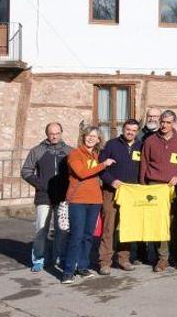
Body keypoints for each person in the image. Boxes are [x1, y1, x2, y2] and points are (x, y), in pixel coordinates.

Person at [60, 127, 116, 284]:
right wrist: (103, 165)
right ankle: (68, 270)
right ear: (83, 137)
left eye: (95, 136)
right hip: (78, 200)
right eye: (88, 136)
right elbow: (82, 173)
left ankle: (82, 266)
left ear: (99, 140)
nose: (91, 138)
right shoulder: (75, 154)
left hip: (95, 200)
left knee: (88, 236)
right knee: (76, 236)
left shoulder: (96, 155)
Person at [140, 109, 177, 272]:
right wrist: (143, 186)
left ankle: (176, 257)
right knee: (158, 224)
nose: (164, 125)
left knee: (174, 224)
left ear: (173, 123)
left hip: (172, 187)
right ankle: (162, 259)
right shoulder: (150, 141)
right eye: (162, 121)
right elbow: (144, 165)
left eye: (168, 122)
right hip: (154, 186)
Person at [20, 122, 73, 272]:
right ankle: (38, 259)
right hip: (44, 197)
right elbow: (26, 171)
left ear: (61, 133)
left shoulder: (70, 151)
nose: (54, 136)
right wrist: (41, 185)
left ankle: (59, 257)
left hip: (63, 197)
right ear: (47, 134)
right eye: (51, 133)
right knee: (41, 229)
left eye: (57, 133)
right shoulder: (37, 151)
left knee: (62, 230)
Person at [97, 119, 142, 275]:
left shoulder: (141, 146)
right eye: (128, 129)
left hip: (131, 193)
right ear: (123, 129)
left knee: (126, 227)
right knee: (109, 227)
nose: (130, 132)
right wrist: (111, 180)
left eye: (134, 130)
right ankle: (105, 262)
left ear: (137, 131)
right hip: (111, 191)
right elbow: (101, 167)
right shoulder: (111, 144)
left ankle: (124, 259)